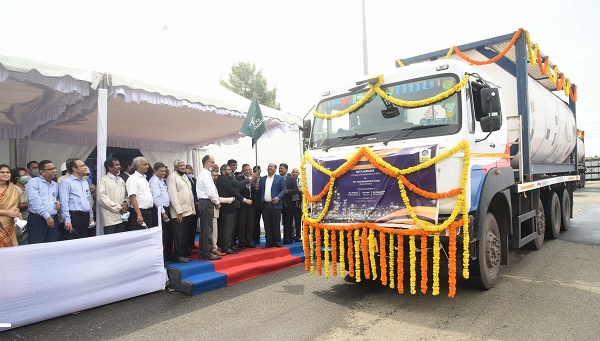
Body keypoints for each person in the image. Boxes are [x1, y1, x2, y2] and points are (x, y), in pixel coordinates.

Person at [216, 163, 252, 254]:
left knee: (230, 228)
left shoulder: (227, 178)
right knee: (227, 228)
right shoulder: (223, 179)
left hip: (230, 206)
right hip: (226, 207)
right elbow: (232, 191)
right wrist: (244, 200)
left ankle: (229, 246)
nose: (231, 171)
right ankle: (226, 247)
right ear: (223, 171)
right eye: (228, 170)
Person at [167, 159, 197, 263]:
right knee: (179, 235)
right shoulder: (172, 177)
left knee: (185, 234)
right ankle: (178, 255)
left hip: (188, 210)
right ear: (175, 167)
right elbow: (173, 195)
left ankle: (184, 252)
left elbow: (190, 194)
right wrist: (178, 211)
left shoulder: (184, 176)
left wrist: (192, 209)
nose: (183, 167)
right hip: (178, 212)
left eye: (184, 165)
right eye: (181, 166)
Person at [25, 160, 60, 244]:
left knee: (52, 246)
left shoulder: (55, 184)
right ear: (42, 171)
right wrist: (47, 216)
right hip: (38, 219)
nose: (54, 171)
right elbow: (34, 201)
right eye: (50, 169)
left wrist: (58, 203)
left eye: (54, 168)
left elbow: (54, 198)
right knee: (37, 246)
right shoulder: (34, 182)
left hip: (53, 218)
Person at [59, 158, 94, 240]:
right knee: (72, 239)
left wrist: (91, 215)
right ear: (74, 168)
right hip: (74, 216)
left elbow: (88, 199)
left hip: (85, 216)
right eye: (82, 166)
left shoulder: (85, 182)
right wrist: (67, 220)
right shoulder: (66, 182)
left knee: (84, 239)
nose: (85, 167)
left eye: (85, 165)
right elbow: (64, 202)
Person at [196, 155, 221, 261]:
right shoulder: (206, 175)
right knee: (208, 229)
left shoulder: (202, 174)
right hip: (206, 202)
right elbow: (210, 192)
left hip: (203, 202)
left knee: (204, 229)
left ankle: (203, 251)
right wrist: (217, 202)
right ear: (207, 163)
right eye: (212, 162)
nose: (214, 164)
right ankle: (208, 252)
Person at [97, 157, 128, 234]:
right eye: (116, 165)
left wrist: (126, 204)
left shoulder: (121, 180)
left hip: (122, 217)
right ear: (109, 167)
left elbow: (126, 195)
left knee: (120, 242)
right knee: (111, 241)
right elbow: (102, 198)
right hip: (110, 219)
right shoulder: (103, 180)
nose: (119, 167)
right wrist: (118, 207)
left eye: (119, 165)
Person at [259, 163, 286, 248]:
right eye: (268, 166)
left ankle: (277, 241)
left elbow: (283, 190)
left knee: (276, 223)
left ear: (275, 169)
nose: (269, 168)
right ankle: (269, 241)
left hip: (275, 204)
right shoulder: (263, 179)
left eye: (271, 167)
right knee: (267, 223)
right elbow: (259, 190)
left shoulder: (280, 178)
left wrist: (278, 197)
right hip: (265, 205)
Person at [126, 156, 153, 230]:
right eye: (145, 164)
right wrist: (139, 214)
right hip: (139, 212)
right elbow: (132, 197)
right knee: (139, 234)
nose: (147, 166)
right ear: (138, 166)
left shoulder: (144, 178)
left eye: (147, 164)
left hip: (148, 211)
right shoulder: (133, 178)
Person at [0, 164, 22, 247]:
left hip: (9, 224)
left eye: (7, 172)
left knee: (10, 253)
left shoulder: (14, 188)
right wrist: (7, 212)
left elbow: (17, 206)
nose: (6, 174)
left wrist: (17, 213)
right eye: (2, 172)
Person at [211, 169, 231, 257]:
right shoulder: (209, 184)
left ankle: (214, 249)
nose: (215, 177)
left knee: (214, 231)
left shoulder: (214, 184)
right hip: (211, 210)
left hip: (215, 210)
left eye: (216, 176)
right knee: (212, 232)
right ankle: (213, 250)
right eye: (213, 175)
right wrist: (230, 199)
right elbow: (216, 198)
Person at [236, 164, 257, 248]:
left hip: (252, 204)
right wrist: (246, 185)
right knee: (242, 224)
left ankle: (249, 241)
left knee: (250, 224)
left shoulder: (254, 179)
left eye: (249, 170)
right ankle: (241, 241)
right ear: (243, 171)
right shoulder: (239, 179)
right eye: (246, 170)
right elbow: (238, 190)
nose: (248, 171)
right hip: (243, 204)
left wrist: (256, 187)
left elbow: (256, 191)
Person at [279, 163, 300, 244]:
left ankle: (287, 238)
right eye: (280, 168)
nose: (280, 170)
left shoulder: (290, 179)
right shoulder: (276, 178)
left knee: (288, 221)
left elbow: (295, 190)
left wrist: (287, 191)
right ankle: (275, 238)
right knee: (278, 222)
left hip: (288, 203)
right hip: (277, 202)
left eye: (282, 168)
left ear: (286, 170)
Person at [11, 167, 29, 245]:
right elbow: (15, 205)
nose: (26, 176)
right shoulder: (13, 189)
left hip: (28, 216)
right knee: (20, 238)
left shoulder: (27, 187)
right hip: (18, 218)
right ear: (17, 178)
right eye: (23, 175)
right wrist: (30, 204)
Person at [291, 168, 303, 242]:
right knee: (290, 220)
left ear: (299, 174)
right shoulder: (289, 181)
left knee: (298, 220)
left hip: (298, 203)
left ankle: (298, 236)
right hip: (290, 202)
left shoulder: (302, 181)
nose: (295, 173)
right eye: (293, 172)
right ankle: (291, 235)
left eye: (296, 172)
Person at [251, 165, 262, 244]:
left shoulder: (263, 179)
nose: (257, 172)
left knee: (258, 221)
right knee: (253, 221)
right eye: (255, 170)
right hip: (252, 203)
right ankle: (253, 237)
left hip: (261, 203)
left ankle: (257, 237)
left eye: (258, 171)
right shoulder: (251, 179)